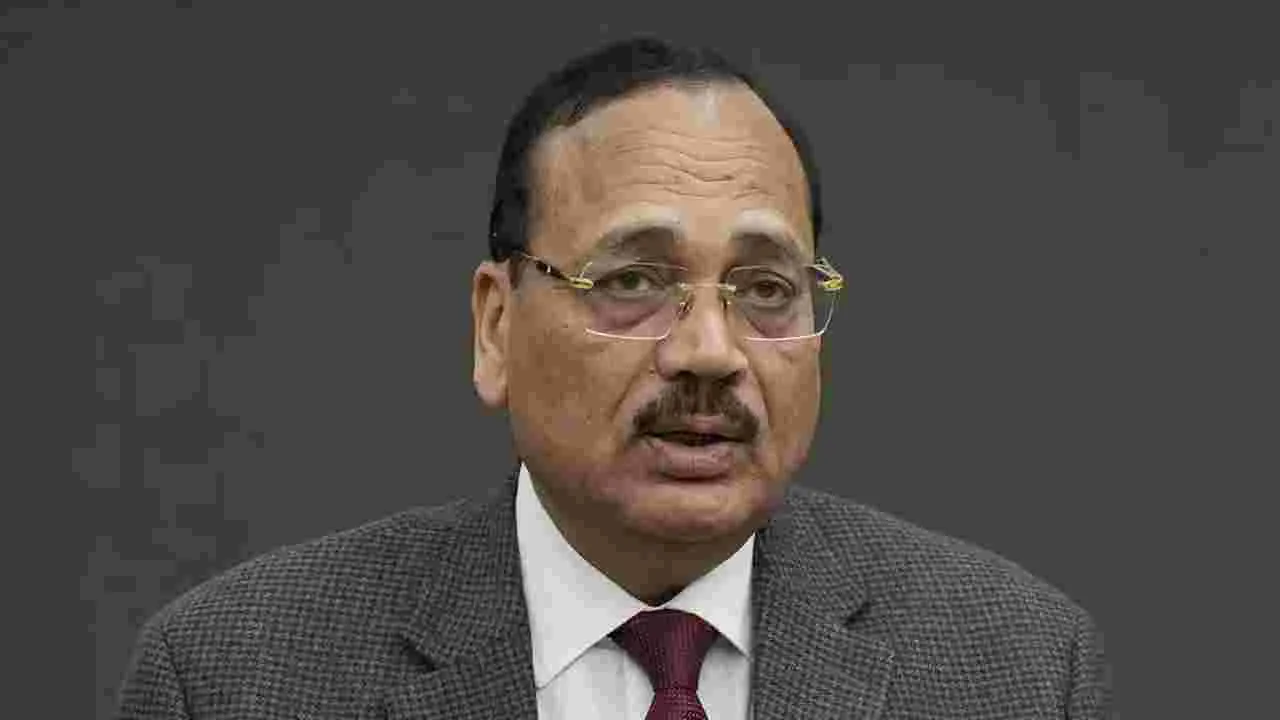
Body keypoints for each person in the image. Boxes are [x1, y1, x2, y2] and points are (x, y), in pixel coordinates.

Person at [115, 36, 1112, 719]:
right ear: (496, 326)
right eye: (633, 281)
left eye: (766, 289)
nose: (710, 351)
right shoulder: (237, 677)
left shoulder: (1020, 673)